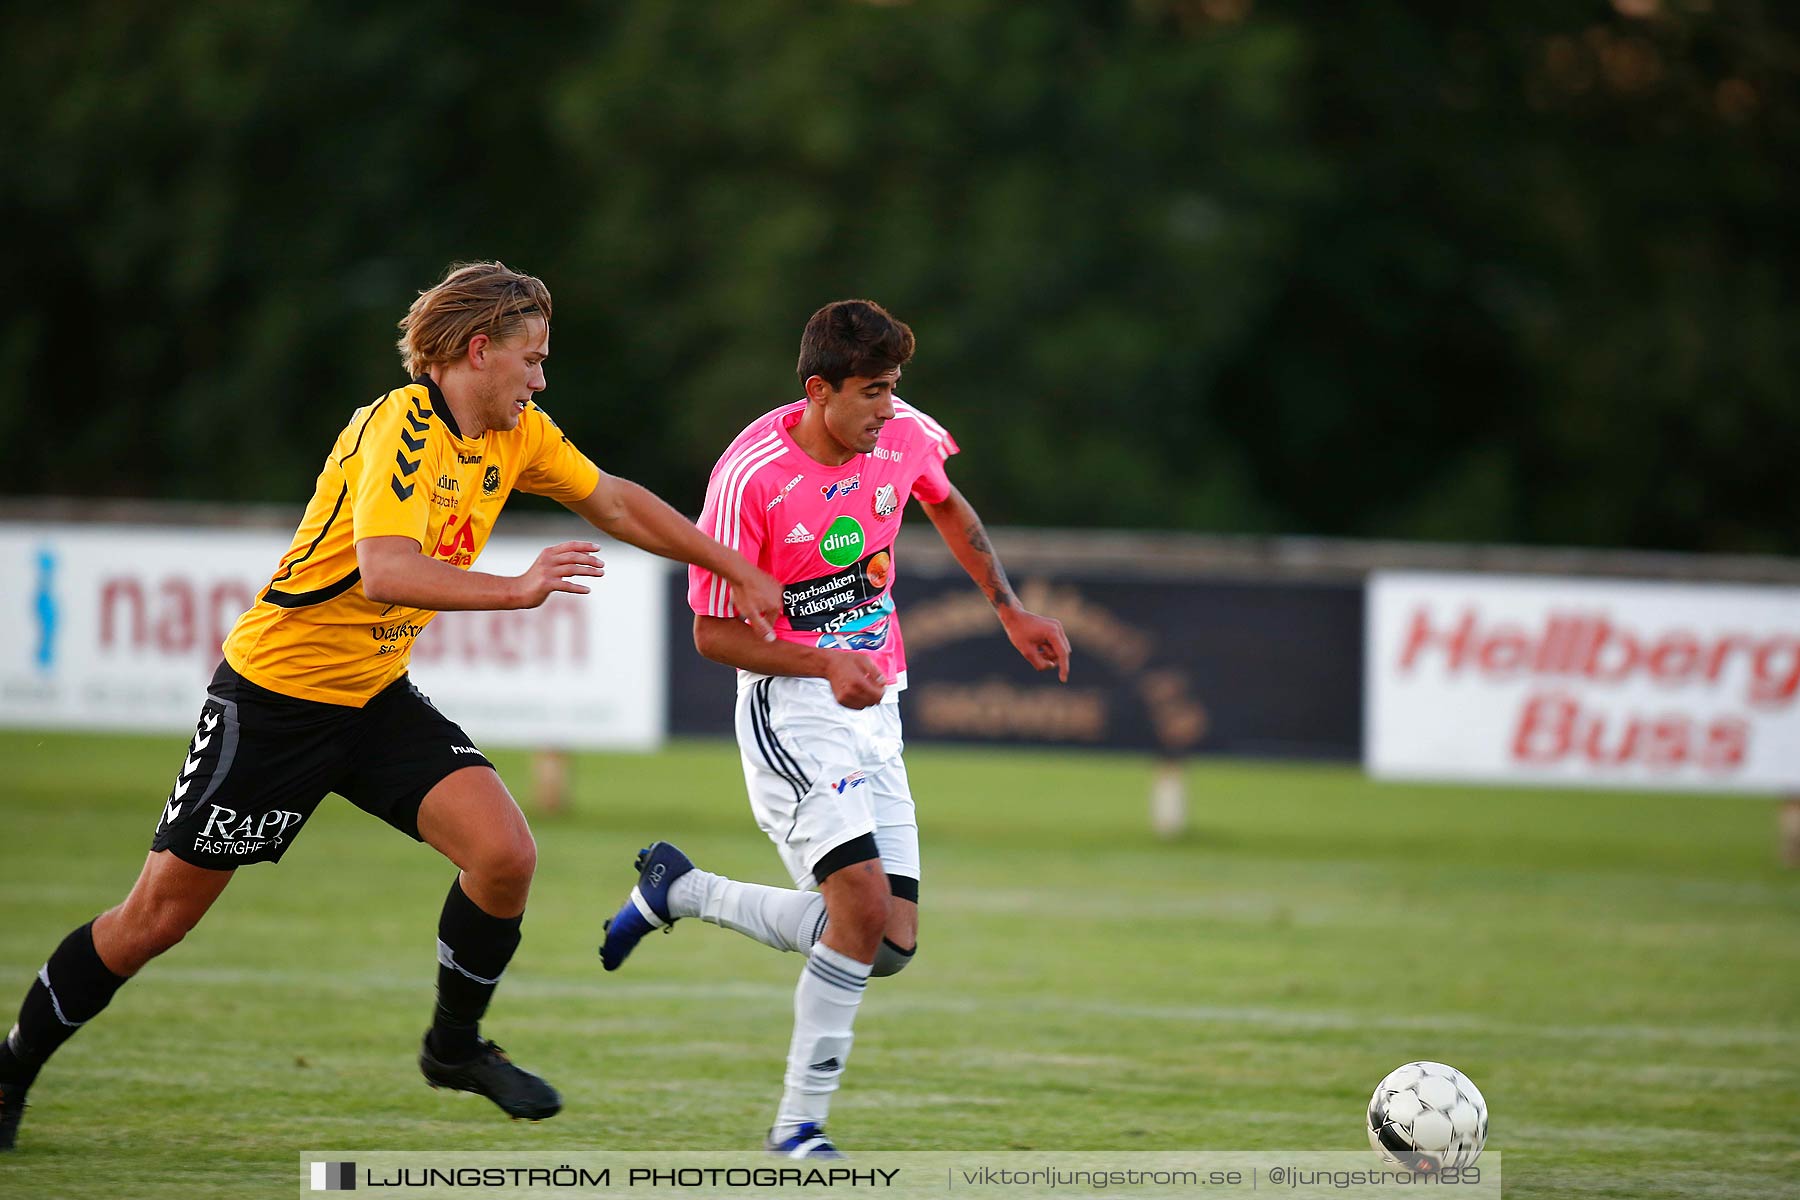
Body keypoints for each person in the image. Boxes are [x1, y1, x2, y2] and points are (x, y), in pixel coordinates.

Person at [0, 261, 782, 1152]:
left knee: (504, 856)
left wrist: (729, 563)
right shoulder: (397, 429)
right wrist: (516, 587)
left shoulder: (515, 432)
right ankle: (10, 1069)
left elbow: (612, 499)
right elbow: (386, 570)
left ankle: (452, 1051)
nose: (540, 379)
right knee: (155, 922)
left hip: (372, 699)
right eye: (531, 360)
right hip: (274, 703)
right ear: (477, 352)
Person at [599, 299, 1071, 1158]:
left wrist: (1009, 610)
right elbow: (711, 634)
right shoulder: (751, 477)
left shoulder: (902, 433)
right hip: (794, 708)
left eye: (894, 388)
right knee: (855, 908)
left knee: (888, 943)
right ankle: (797, 1130)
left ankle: (684, 890)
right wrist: (821, 664)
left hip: (875, 702)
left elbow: (950, 506)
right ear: (819, 390)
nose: (888, 409)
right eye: (872, 392)